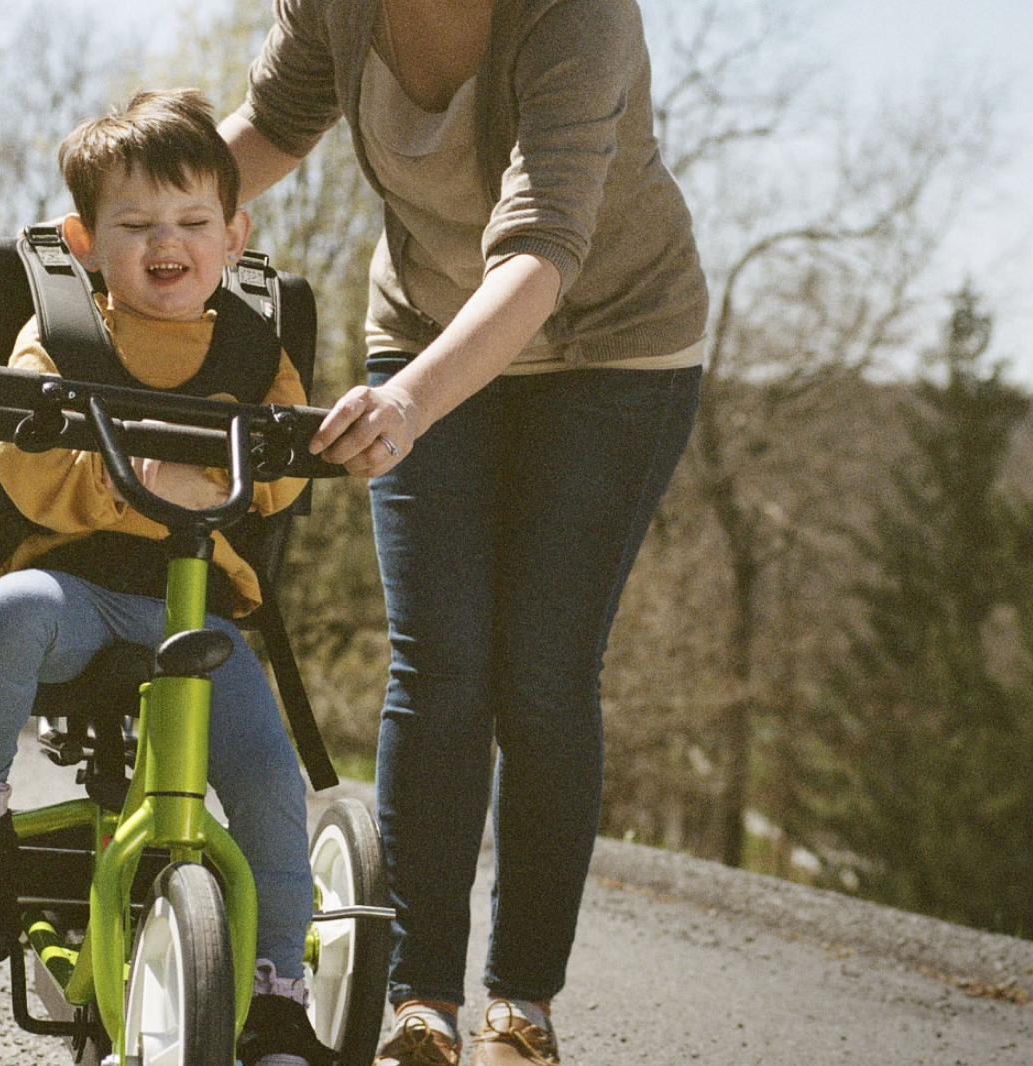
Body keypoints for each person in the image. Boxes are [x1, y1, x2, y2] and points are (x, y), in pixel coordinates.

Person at [221, 2, 708, 1063]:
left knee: (540, 669)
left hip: (610, 347)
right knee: (437, 663)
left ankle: (517, 1010)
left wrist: (408, 406)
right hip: (425, 330)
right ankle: (419, 1006)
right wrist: (125, 216)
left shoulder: (576, 15)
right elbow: (267, 129)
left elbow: (540, 247)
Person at [0, 88, 334, 1066]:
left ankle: (275, 995)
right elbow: (18, 463)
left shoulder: (251, 348)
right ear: (85, 238)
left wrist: (255, 471)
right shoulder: (58, 332)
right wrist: (130, 480)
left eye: (191, 223)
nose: (164, 243)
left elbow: (285, 477)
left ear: (234, 234)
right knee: (7, 608)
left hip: (200, 598)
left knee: (268, 777)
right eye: (134, 225)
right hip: (76, 585)